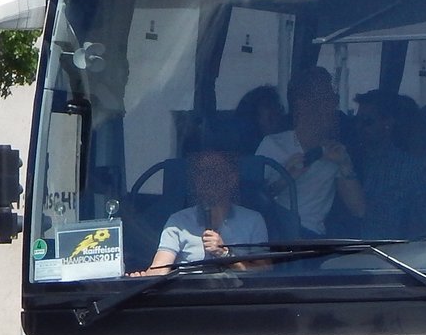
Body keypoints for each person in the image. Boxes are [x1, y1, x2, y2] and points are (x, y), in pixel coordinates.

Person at [255, 66, 365, 236]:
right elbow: (253, 201)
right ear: (302, 104)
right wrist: (286, 178)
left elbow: (359, 210)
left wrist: (345, 165)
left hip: (313, 240)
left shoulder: (335, 152)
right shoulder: (273, 144)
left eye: (334, 99)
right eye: (326, 99)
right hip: (277, 237)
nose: (333, 106)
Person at [132, 149, 268, 275]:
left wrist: (225, 254)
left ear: (232, 178)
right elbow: (160, 267)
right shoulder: (178, 222)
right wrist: (143, 279)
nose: (207, 179)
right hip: (188, 292)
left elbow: (264, 269)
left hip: (240, 292)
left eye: (215, 172)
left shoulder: (253, 220)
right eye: (202, 173)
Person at [352, 90, 426, 238]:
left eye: (367, 121)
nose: (359, 127)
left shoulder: (410, 169)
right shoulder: (345, 159)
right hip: (336, 247)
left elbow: (421, 224)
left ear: (388, 123)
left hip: (388, 249)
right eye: (356, 121)